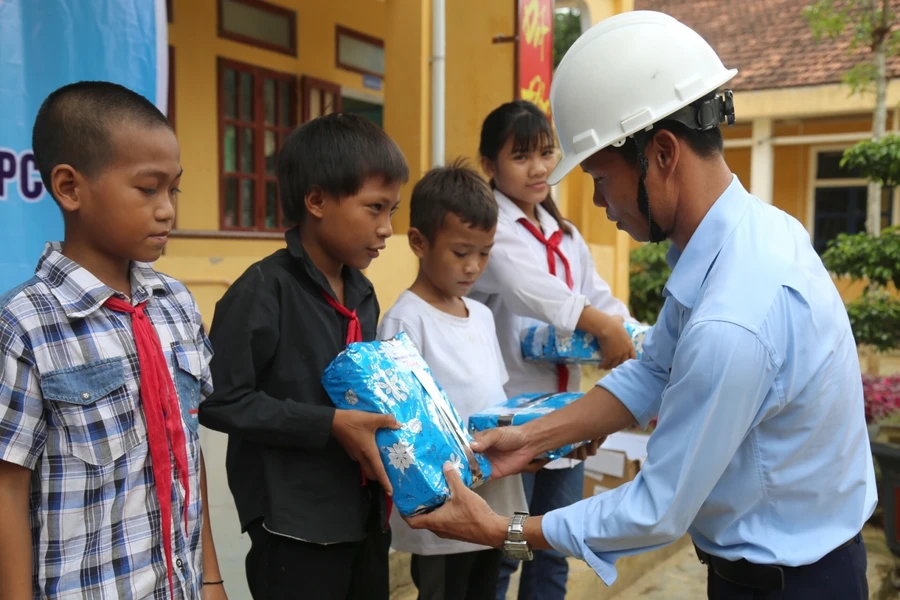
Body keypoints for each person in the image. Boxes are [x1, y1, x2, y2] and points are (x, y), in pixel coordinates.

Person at [407, 11, 876, 600]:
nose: (600, 204)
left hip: (790, 583)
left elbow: (656, 508)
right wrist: (534, 437)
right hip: (777, 564)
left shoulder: (736, 314)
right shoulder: (744, 237)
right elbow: (656, 366)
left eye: (602, 181)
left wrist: (500, 530)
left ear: (661, 153)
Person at [0, 81, 227, 599]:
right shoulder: (25, 325)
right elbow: (6, 490)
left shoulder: (175, 304)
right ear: (70, 188)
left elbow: (186, 455)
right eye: (148, 189)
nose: (167, 209)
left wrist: (210, 579)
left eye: (174, 189)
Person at [198, 113, 409, 600]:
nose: (386, 229)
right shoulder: (261, 292)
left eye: (392, 211)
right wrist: (327, 424)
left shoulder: (362, 293)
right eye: (374, 208)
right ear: (316, 201)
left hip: (364, 514)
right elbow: (218, 400)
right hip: (294, 525)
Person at [470, 100, 636, 600]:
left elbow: (599, 295)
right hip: (512, 418)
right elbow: (531, 289)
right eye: (521, 157)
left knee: (556, 548)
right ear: (489, 166)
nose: (539, 168)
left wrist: (629, 332)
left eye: (546, 153)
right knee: (506, 547)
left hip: (569, 415)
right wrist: (601, 326)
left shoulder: (565, 234)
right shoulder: (488, 228)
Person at [377, 160, 529, 600]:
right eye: (461, 252)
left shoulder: (481, 315)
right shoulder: (406, 320)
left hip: (494, 493)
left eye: (484, 253)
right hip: (443, 502)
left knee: (487, 587)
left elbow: (492, 396)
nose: (473, 266)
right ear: (419, 243)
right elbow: (399, 423)